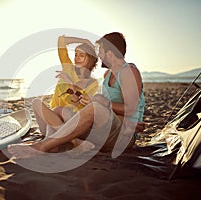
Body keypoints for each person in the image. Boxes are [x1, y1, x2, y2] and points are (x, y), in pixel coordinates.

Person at [8, 32, 145, 158]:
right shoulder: (107, 75)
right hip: (104, 131)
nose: (99, 55)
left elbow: (131, 109)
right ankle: (67, 143)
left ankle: (41, 147)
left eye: (101, 51)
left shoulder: (129, 72)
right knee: (61, 110)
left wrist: (103, 103)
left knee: (96, 107)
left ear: (110, 52)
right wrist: (96, 100)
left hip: (123, 135)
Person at [31, 35, 98, 146]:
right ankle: (73, 141)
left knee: (65, 110)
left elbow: (77, 104)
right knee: (36, 102)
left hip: (70, 122)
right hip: (51, 121)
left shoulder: (92, 83)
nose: (77, 58)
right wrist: (83, 40)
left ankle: (54, 141)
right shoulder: (68, 68)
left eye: (82, 55)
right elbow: (61, 41)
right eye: (76, 54)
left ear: (90, 59)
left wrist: (70, 83)